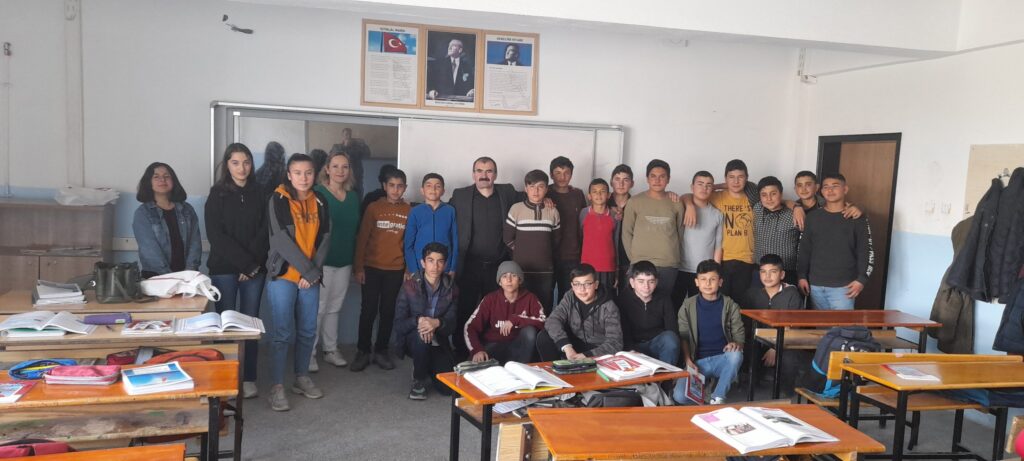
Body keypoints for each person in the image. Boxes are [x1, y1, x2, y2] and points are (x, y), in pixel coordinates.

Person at [265, 153, 331, 411]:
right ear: (289, 175)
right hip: (284, 276)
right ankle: (277, 386)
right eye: (298, 173)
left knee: (307, 331)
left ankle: (301, 377)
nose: (304, 178)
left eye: (309, 172)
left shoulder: (321, 200)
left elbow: (325, 238)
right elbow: (280, 240)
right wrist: (308, 271)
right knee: (281, 334)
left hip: (309, 278)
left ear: (315, 174)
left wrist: (312, 273)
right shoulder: (278, 199)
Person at [205, 144, 267, 399]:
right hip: (224, 269)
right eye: (236, 163)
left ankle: (248, 377)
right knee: (226, 325)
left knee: (250, 324)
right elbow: (216, 235)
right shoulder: (217, 194)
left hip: (254, 269)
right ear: (227, 165)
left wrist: (251, 265)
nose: (242, 168)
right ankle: (227, 377)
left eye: (246, 162)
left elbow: (265, 231)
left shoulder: (261, 193)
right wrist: (244, 263)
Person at [449, 157, 522, 357]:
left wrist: (548, 198)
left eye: (489, 171)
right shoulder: (460, 195)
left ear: (495, 175)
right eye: (479, 170)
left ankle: (490, 349)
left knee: (495, 310)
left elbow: (533, 194)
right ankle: (462, 351)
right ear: (473, 174)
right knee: (465, 309)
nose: (484, 175)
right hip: (469, 264)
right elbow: (442, 210)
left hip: (498, 266)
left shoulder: (507, 192)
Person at [353, 168, 410, 371]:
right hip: (371, 268)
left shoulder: (409, 211)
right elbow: (362, 239)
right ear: (384, 186)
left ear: (405, 188)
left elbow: (409, 242)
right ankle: (363, 351)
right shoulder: (373, 208)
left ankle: (381, 350)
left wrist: (408, 269)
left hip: (395, 269)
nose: (395, 190)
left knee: (388, 311)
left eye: (400, 186)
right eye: (391, 185)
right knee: (368, 310)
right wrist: (359, 267)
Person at [311, 151, 360, 371]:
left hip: (344, 260)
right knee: (318, 308)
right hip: (323, 261)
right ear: (327, 169)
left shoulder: (353, 197)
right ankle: (309, 353)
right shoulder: (318, 194)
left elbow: (356, 231)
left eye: (345, 167)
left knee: (334, 307)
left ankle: (330, 349)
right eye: (336, 166)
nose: (340, 171)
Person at [797, 174, 875, 310]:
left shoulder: (857, 218)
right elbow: (804, 250)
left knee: (842, 324)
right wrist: (801, 276)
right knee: (819, 324)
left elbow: (866, 251)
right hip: (815, 285)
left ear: (845, 189)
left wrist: (862, 279)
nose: (830, 190)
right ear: (821, 191)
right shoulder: (813, 217)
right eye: (826, 187)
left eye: (835, 186)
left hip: (844, 287)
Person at [674, 260, 744, 405]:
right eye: (703, 279)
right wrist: (688, 360)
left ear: (720, 282)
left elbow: (739, 334)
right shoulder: (688, 305)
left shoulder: (730, 305)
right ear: (696, 282)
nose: (708, 283)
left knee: (736, 355)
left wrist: (736, 344)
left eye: (712, 279)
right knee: (679, 396)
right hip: (698, 363)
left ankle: (717, 397)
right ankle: (706, 394)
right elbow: (683, 335)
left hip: (722, 359)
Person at [392, 242, 457, 400]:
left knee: (448, 390)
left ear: (445, 264)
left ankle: (425, 364)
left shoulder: (452, 288)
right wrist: (419, 321)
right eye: (430, 260)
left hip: (438, 339)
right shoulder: (409, 286)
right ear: (423, 263)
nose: (435, 266)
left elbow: (452, 324)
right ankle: (418, 380)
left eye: (440, 261)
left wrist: (437, 323)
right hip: (413, 339)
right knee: (422, 336)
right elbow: (399, 325)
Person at [621, 159, 685, 300]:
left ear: (668, 179)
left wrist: (673, 256)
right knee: (636, 304)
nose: (657, 180)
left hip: (668, 263)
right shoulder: (634, 202)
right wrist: (634, 259)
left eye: (662, 176)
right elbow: (626, 232)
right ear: (647, 178)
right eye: (653, 176)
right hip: (640, 262)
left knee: (664, 303)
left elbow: (680, 232)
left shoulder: (676, 202)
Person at [463, 261, 545, 364]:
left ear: (520, 280)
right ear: (500, 282)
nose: (509, 280)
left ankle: (521, 369)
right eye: (504, 276)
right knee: (470, 367)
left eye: (513, 275)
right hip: (494, 345)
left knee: (530, 331)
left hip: (519, 348)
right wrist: (477, 350)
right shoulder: (490, 299)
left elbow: (543, 321)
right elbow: (470, 326)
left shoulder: (530, 298)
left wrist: (516, 320)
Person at [537, 264, 622, 361]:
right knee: (544, 337)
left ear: (596, 284)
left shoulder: (609, 306)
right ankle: (554, 368)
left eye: (587, 284)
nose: (582, 289)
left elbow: (615, 343)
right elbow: (552, 320)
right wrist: (566, 346)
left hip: (596, 350)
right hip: (573, 346)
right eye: (577, 284)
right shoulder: (570, 297)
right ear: (572, 286)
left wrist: (587, 355)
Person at [746, 254, 806, 393]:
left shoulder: (791, 294)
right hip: (760, 339)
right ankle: (753, 387)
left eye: (773, 272)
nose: (767, 276)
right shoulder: (753, 294)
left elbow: (794, 326)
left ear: (782, 274)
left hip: (785, 341)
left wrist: (775, 347)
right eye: (763, 272)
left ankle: (785, 391)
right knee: (748, 351)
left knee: (789, 359)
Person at [504, 169, 561, 313]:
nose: (536, 191)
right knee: (520, 307)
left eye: (540, 187)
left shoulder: (553, 211)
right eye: (532, 187)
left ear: (546, 189)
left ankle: (543, 329)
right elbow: (507, 238)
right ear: (525, 188)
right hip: (521, 270)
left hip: (545, 270)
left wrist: (543, 251)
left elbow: (556, 240)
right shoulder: (516, 209)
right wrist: (522, 251)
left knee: (544, 307)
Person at [133, 162, 201, 279]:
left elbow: (195, 244)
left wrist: (188, 273)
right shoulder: (143, 213)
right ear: (148, 182)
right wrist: (170, 278)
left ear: (173, 180)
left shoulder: (187, 210)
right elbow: (149, 250)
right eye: (156, 177)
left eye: (166, 176)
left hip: (187, 279)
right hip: (157, 278)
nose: (162, 180)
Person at [673, 171, 723, 308]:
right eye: (700, 184)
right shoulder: (682, 207)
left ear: (712, 189)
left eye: (708, 185)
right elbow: (683, 197)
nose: (704, 188)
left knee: (699, 309)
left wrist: (715, 272)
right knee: (675, 306)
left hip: (703, 272)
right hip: (679, 268)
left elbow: (718, 246)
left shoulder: (717, 215)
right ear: (692, 187)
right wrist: (689, 205)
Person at [616, 261, 679, 365]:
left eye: (651, 281)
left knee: (670, 338)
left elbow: (672, 328)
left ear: (656, 282)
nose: (646, 286)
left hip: (657, 343)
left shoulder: (664, 298)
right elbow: (623, 332)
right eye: (641, 281)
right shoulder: (623, 300)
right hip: (634, 346)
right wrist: (631, 350)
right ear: (632, 282)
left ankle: (667, 374)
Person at [548, 156, 587, 303]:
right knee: (546, 295)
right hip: (549, 255)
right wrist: (543, 199)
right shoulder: (544, 193)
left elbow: (585, 219)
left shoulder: (578, 194)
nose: (562, 177)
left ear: (571, 174)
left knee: (568, 298)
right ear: (551, 175)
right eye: (558, 173)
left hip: (572, 255)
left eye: (566, 173)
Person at [404, 173, 458, 277]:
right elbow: (408, 245)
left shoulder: (450, 211)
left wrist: (452, 267)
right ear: (422, 190)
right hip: (420, 267)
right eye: (428, 186)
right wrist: (414, 269)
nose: (433, 189)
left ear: (443, 191)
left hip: (444, 267)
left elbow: (455, 242)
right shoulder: (415, 212)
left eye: (437, 186)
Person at [752, 176, 800, 286]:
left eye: (773, 194)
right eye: (764, 195)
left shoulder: (793, 215)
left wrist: (797, 207)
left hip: (786, 271)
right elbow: (745, 186)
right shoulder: (757, 209)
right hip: (760, 270)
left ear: (781, 194)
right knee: (757, 297)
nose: (769, 198)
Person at [580, 178, 617, 289]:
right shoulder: (583, 213)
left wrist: (617, 269)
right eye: (595, 191)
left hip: (608, 266)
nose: (599, 195)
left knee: (607, 296)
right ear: (589, 196)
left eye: (602, 191)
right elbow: (580, 237)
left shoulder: (614, 215)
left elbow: (616, 242)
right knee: (588, 295)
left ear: (609, 195)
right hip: (587, 266)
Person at [609, 164, 634, 293]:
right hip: (606, 259)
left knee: (627, 297)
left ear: (632, 183)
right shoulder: (601, 202)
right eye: (617, 179)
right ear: (611, 182)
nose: (621, 183)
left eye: (626, 180)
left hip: (628, 259)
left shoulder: (637, 204)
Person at [331, 127, 369, 198]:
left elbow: (367, 155)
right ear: (342, 136)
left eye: (349, 135)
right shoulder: (337, 147)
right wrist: (345, 146)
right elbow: (334, 158)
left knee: (358, 195)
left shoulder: (357, 147)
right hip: (341, 176)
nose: (347, 136)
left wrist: (363, 144)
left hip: (356, 176)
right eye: (346, 134)